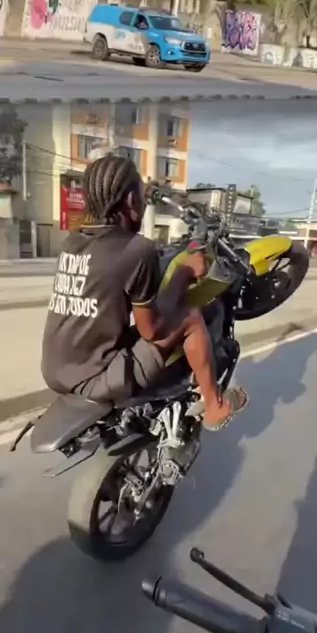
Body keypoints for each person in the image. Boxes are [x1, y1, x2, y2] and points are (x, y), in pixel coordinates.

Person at [42, 155, 247, 431]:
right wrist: (183, 273)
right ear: (130, 201)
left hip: (55, 369)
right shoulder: (136, 249)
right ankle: (214, 406)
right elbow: (151, 331)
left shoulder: (72, 242)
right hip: (93, 377)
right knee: (190, 317)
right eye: (140, 197)